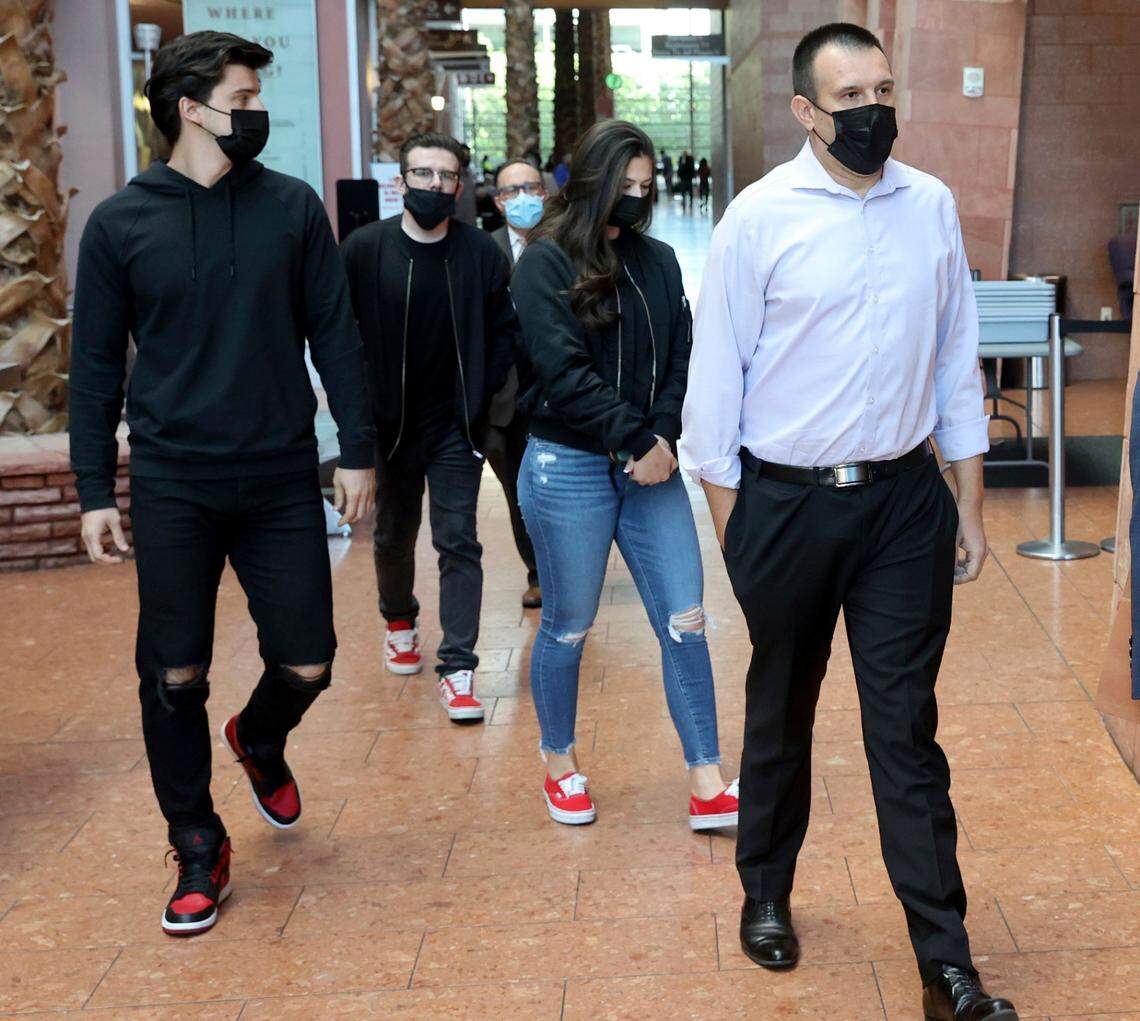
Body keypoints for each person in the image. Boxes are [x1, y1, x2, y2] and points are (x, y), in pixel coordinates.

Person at [679, 23, 1018, 1021]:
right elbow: (714, 392)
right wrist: (736, 528)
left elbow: (958, 355)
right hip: (783, 501)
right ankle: (767, 892)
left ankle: (946, 964)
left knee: (904, 727)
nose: (874, 109)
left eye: (883, 88)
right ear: (805, 111)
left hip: (906, 502)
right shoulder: (759, 217)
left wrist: (970, 497)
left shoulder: (933, 207)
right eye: (851, 95)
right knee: (781, 707)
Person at [69, 31, 376, 937]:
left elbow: (336, 334)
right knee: (173, 673)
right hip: (174, 481)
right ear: (191, 107)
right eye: (241, 96)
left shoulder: (289, 209)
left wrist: (354, 449)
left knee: (309, 658)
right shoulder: (121, 224)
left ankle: (260, 736)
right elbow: (93, 369)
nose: (254, 113)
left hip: (281, 473)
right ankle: (198, 842)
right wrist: (94, 488)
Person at [510, 120, 739, 831]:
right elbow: (562, 372)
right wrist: (635, 437)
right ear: (591, 182)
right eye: (625, 187)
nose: (637, 199)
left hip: (651, 464)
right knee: (569, 626)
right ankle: (559, 762)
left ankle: (706, 779)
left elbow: (681, 355)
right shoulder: (544, 262)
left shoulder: (660, 260)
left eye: (647, 187)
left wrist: (662, 435)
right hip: (569, 464)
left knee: (686, 619)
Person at [341, 131, 517, 723]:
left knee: (457, 540)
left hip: (453, 428)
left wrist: (483, 397)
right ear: (402, 181)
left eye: (446, 177)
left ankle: (459, 667)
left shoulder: (481, 254)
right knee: (392, 534)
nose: (435, 186)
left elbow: (502, 331)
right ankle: (398, 618)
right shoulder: (365, 250)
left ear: (460, 186)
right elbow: (341, 339)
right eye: (423, 175)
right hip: (388, 427)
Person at [488, 158, 548, 609]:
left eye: (530, 187)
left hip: (560, 395)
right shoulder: (484, 251)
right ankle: (538, 574)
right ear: (498, 201)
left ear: (545, 194)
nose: (522, 198)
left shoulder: (566, 248)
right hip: (503, 400)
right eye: (512, 191)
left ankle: (569, 568)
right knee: (518, 494)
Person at [455, 143, 478, 226]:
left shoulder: (470, 173)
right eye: (464, 155)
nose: (467, 157)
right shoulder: (453, 175)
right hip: (456, 221)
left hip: (470, 220)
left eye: (468, 155)